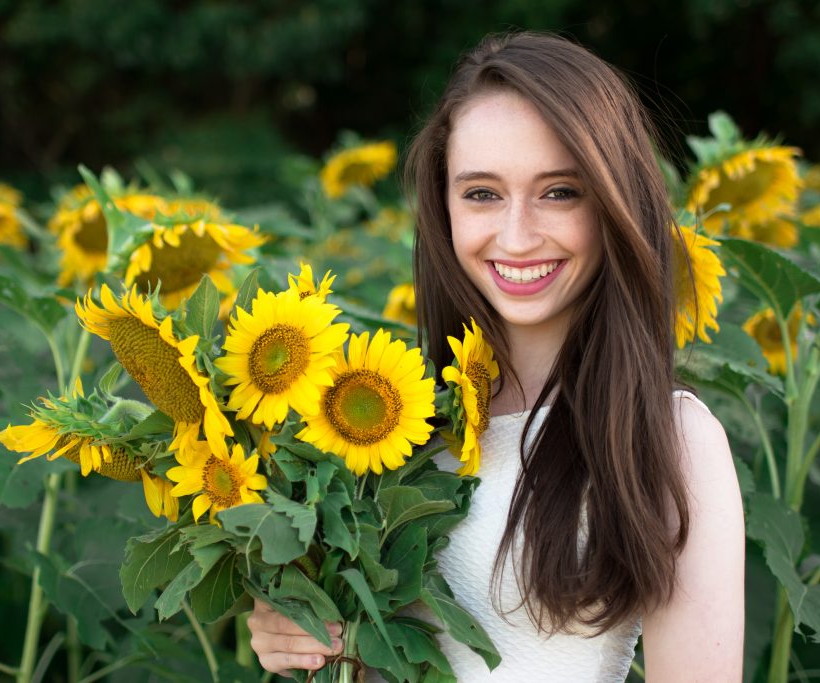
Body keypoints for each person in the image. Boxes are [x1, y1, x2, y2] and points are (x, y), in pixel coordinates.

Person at [247, 31, 745, 682]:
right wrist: (297, 629)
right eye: (481, 193)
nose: (515, 236)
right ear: (443, 205)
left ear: (615, 203)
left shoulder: (667, 438)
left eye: (559, 191)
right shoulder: (392, 424)